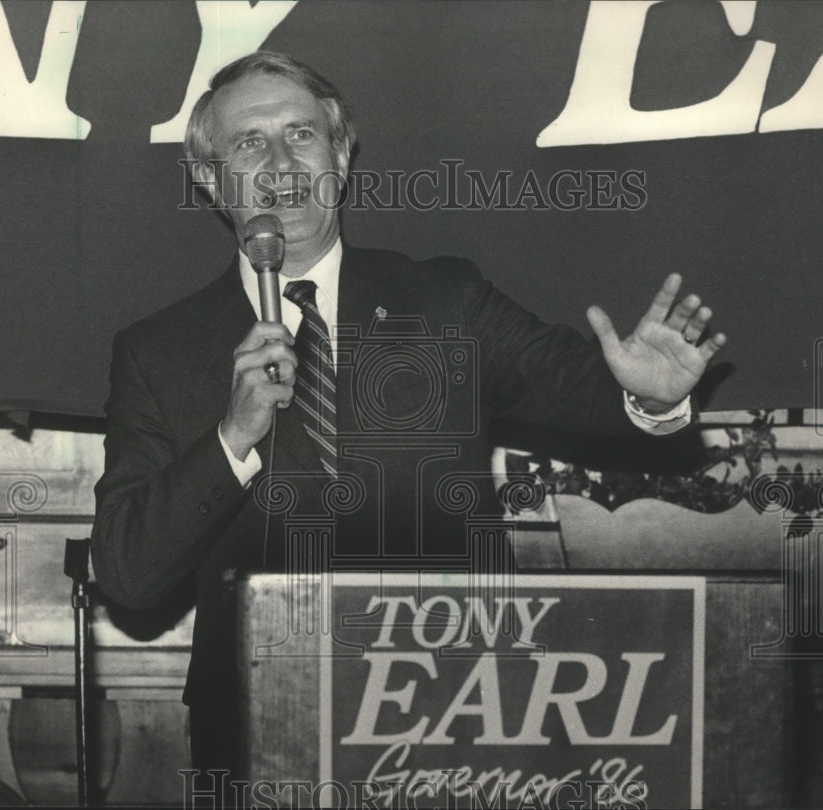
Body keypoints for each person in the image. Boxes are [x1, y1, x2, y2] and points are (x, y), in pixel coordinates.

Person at [91, 51, 726, 774]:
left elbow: (575, 383)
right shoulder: (157, 352)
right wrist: (232, 438)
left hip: (456, 714)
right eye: (248, 142)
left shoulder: (446, 301)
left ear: (341, 154)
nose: (279, 161)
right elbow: (128, 575)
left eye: (301, 134)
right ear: (211, 182)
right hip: (258, 732)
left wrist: (650, 393)